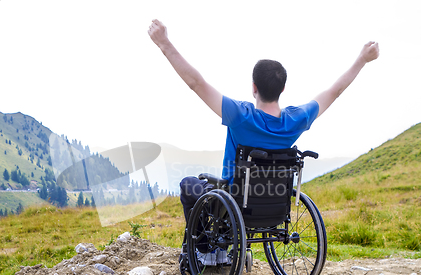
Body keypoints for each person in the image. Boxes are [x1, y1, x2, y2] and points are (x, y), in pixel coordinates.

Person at [148, 19, 379, 223]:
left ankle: (205, 251)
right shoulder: (296, 120)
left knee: (189, 184)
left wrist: (164, 44)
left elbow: (196, 83)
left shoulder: (240, 115)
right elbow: (335, 91)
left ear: (254, 87)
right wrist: (362, 59)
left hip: (232, 203)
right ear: (283, 88)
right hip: (274, 206)